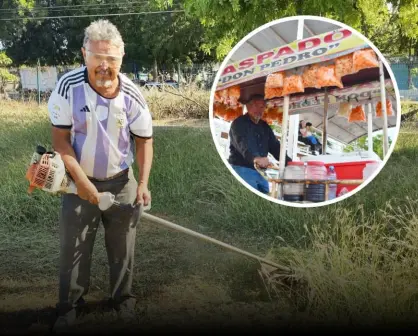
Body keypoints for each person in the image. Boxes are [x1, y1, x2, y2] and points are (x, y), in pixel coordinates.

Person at [47, 19, 153, 330]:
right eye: (97, 57)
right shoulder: (68, 87)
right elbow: (60, 141)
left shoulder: (133, 95)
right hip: (78, 182)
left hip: (121, 182)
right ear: (84, 55)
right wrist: (82, 184)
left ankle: (122, 300)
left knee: (122, 247)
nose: (104, 66)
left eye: (112, 58)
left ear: (122, 56)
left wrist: (142, 185)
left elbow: (145, 142)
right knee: (75, 246)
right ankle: (68, 307)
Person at [228, 94, 292, 194]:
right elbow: (243, 143)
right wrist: (256, 158)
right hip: (242, 169)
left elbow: (275, 146)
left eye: (262, 107)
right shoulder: (239, 123)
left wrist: (289, 163)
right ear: (248, 107)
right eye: (256, 106)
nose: (259, 109)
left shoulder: (265, 126)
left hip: (261, 172)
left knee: (266, 195)